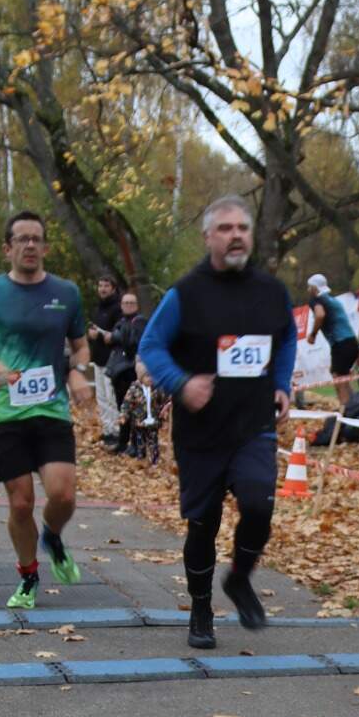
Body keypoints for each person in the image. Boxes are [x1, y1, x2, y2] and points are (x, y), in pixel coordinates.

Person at [140, 194, 296, 649]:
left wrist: (281, 383)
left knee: (259, 505)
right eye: (225, 229)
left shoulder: (272, 291)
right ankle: (201, 606)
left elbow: (287, 338)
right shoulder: (185, 294)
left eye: (242, 228)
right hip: (201, 431)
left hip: (253, 424)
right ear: (208, 236)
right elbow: (150, 347)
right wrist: (181, 383)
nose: (235, 236)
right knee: (203, 524)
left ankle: (240, 578)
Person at [0, 210, 94, 611]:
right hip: (5, 411)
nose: (30, 245)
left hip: (51, 408)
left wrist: (77, 372)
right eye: (22, 239)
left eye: (37, 239)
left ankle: (52, 535)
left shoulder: (66, 292)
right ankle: (29, 574)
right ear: (7, 248)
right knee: (20, 503)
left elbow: (81, 346)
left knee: (63, 495)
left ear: (46, 248)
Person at [306, 274, 359, 413]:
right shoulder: (333, 300)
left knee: (338, 379)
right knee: (342, 377)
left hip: (340, 344)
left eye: (309, 287)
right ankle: (354, 408)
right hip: (352, 343)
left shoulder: (317, 300)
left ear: (314, 288)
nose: (308, 290)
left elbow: (320, 315)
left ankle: (345, 413)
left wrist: (313, 334)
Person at [86, 271, 124, 447]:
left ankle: (117, 431)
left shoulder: (118, 308)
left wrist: (99, 335)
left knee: (111, 397)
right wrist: (91, 335)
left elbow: (117, 335)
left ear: (113, 288)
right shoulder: (98, 308)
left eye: (106, 286)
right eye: (100, 286)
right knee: (101, 397)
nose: (102, 289)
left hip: (112, 361)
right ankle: (108, 430)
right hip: (98, 358)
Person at [117, 359, 168, 464]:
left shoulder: (157, 388)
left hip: (153, 421)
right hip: (139, 421)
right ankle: (141, 458)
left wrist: (164, 409)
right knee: (140, 442)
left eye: (152, 375)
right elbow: (127, 403)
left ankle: (154, 460)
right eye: (147, 376)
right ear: (141, 377)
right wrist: (124, 415)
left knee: (153, 441)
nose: (151, 379)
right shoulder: (134, 389)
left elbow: (163, 400)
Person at [106, 289, 145, 417]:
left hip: (131, 370)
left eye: (131, 303)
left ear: (137, 305)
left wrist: (114, 337)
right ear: (121, 305)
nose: (128, 305)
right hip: (118, 371)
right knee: (121, 408)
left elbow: (133, 343)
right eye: (125, 303)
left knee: (133, 409)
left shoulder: (140, 322)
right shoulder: (120, 322)